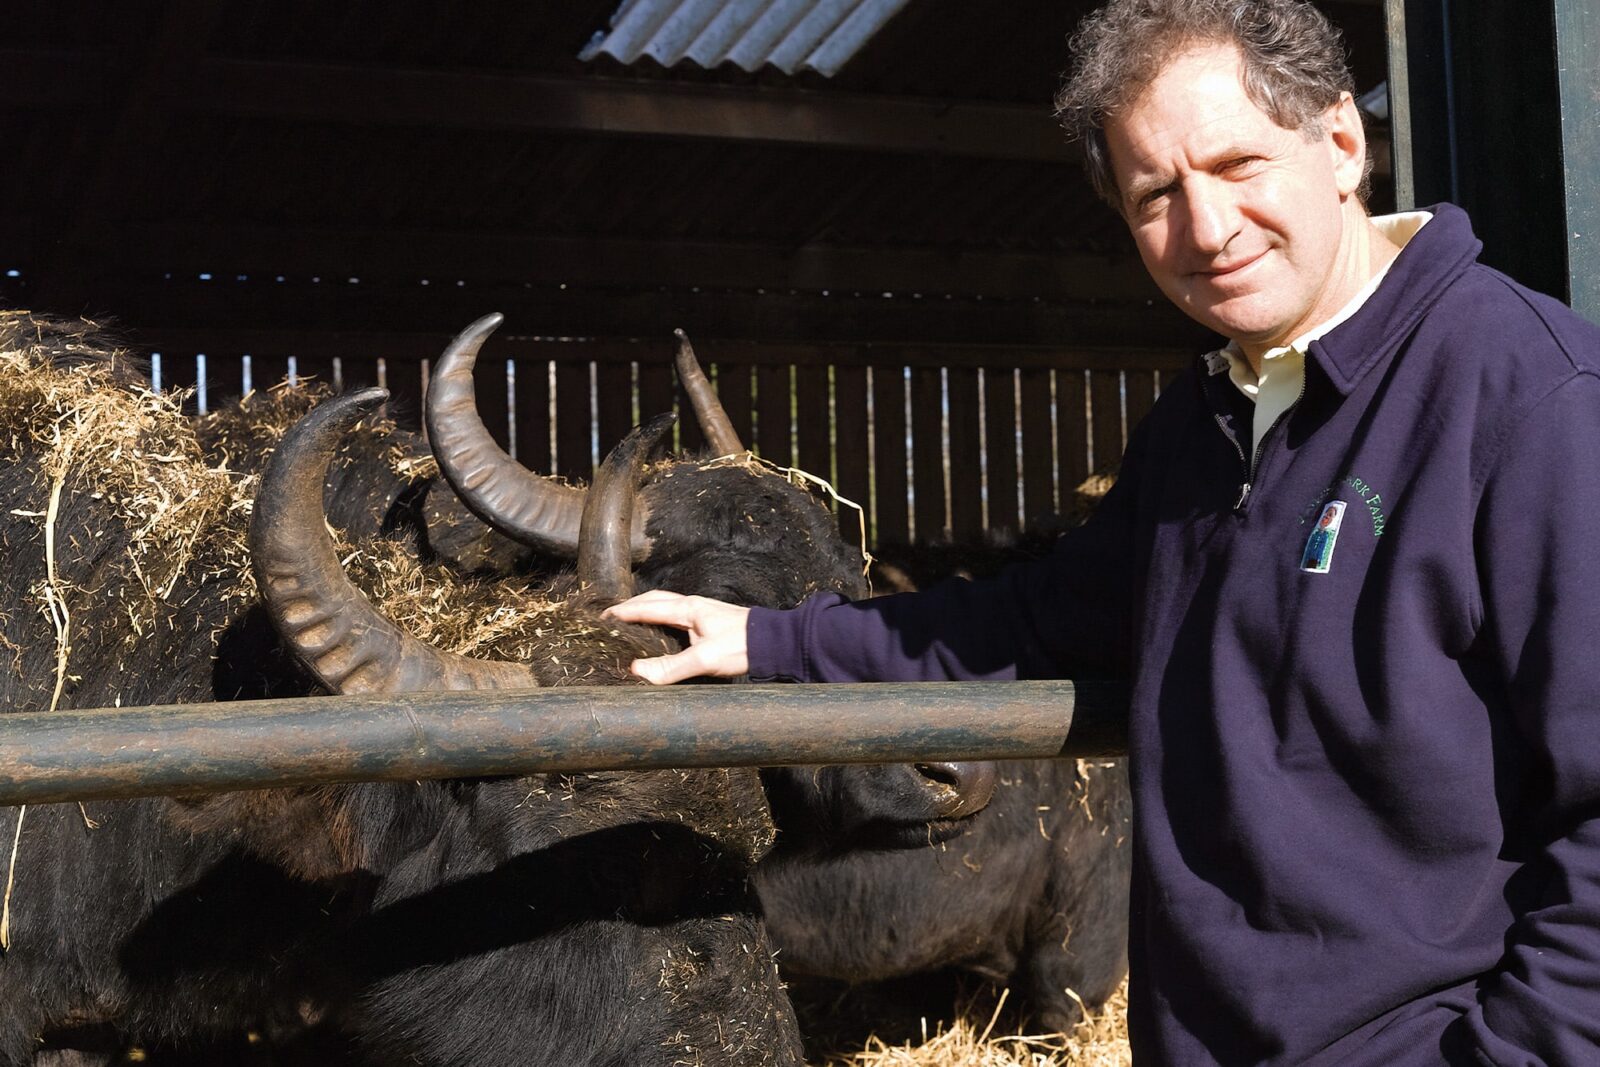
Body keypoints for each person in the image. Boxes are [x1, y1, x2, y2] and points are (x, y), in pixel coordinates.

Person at [608, 0, 1600, 1062]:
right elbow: (1032, 617)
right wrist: (771, 641)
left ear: (1342, 143)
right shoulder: (1203, 424)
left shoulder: (1527, 395)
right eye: (1155, 194)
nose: (1207, 227)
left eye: (1236, 163)